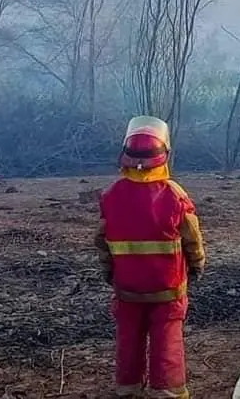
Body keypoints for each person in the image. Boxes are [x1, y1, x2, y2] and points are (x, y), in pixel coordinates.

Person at [95, 116, 206, 399]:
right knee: (167, 338)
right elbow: (192, 237)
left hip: (127, 288)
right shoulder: (175, 195)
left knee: (128, 338)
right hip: (167, 288)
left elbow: (102, 241)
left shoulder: (111, 195)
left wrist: (108, 271)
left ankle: (128, 387)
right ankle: (167, 390)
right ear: (163, 156)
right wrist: (197, 264)